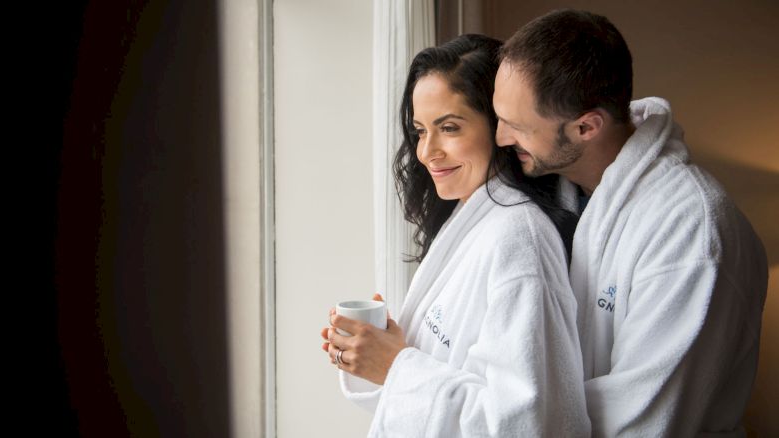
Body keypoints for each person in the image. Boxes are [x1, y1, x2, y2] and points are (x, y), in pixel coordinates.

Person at [493, 9, 768, 437]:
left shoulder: (692, 235)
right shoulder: (561, 199)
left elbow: (642, 424)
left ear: (587, 127)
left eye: (517, 126)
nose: (501, 139)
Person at [320, 34, 590, 437]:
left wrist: (396, 365)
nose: (427, 151)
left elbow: (527, 423)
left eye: (448, 127)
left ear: (500, 127)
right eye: (420, 130)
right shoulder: (472, 219)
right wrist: (382, 351)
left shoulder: (519, 240)